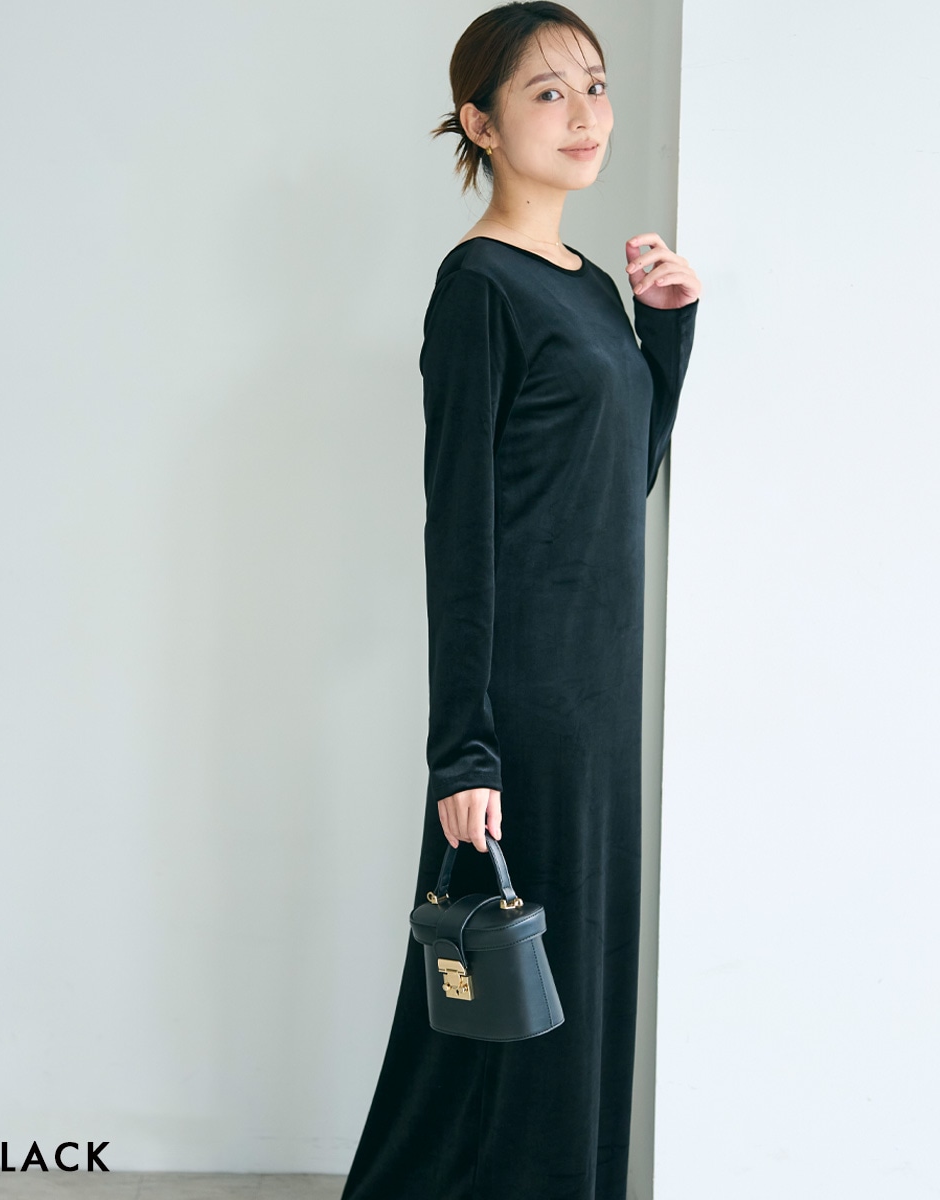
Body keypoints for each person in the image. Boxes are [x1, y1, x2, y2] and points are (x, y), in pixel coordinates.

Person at [340, 4, 701, 1198]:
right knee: (505, 999)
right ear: (482, 125)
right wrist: (464, 750)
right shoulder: (478, 287)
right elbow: (460, 531)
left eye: (593, 84)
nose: (585, 112)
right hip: (525, 703)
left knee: (571, 981)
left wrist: (667, 334)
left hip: (600, 688)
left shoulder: (591, 286)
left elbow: (617, 479)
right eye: (547, 92)